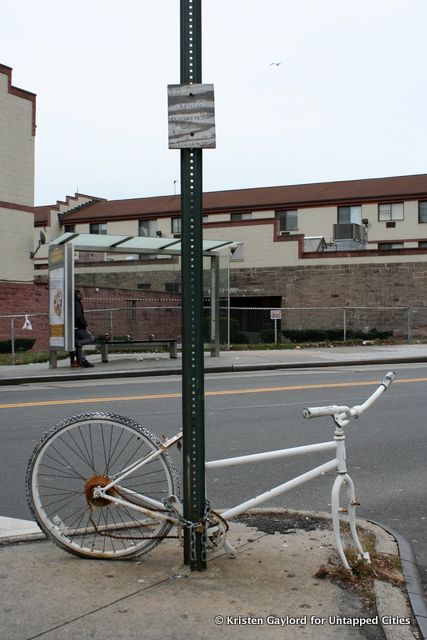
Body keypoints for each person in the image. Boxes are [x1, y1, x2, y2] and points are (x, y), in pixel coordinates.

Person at [74, 289, 95, 368]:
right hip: (79, 327)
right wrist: (84, 325)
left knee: (79, 346)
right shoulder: (78, 304)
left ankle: (82, 361)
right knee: (90, 338)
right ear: (77, 295)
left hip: (74, 328)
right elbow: (78, 316)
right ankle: (82, 360)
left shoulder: (72, 303)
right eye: (80, 295)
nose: (82, 296)